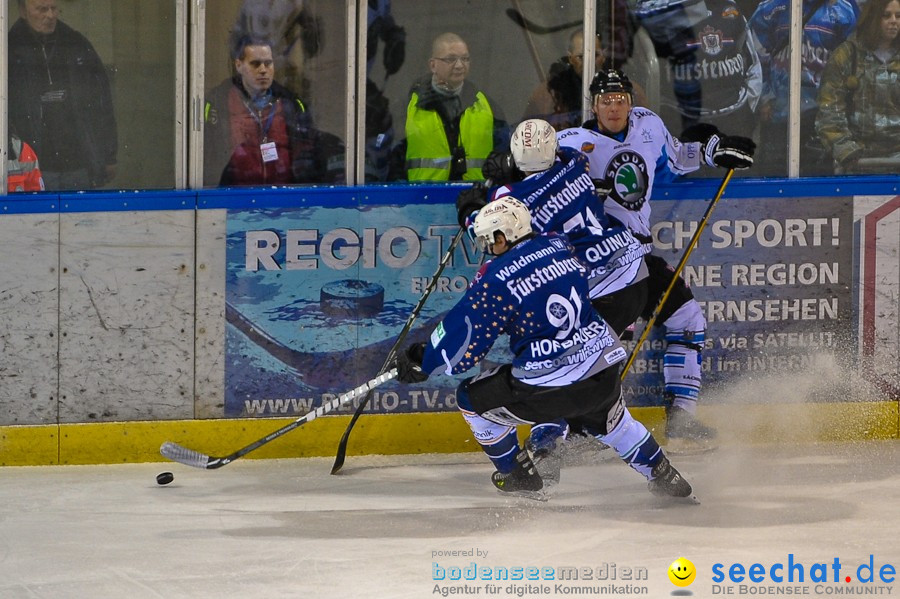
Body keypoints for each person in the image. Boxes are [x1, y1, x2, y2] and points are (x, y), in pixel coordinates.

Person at [394, 196, 696, 502]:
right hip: (600, 370)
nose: (486, 248)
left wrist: (425, 360)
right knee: (616, 425)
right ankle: (664, 474)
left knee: (469, 398)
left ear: (502, 237)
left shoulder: (497, 276)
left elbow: (464, 344)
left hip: (549, 389)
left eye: (488, 240)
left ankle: (515, 473)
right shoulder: (559, 245)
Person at [557, 69, 755, 449]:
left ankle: (681, 416)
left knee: (686, 317)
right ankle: (571, 428)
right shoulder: (571, 142)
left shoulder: (648, 124)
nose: (614, 108)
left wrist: (716, 150)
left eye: (621, 100)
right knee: (601, 344)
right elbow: (543, 186)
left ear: (631, 102)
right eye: (606, 101)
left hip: (640, 255)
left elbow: (679, 158)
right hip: (599, 266)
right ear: (593, 104)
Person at [203, 35, 343, 187]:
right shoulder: (218, 103)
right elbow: (209, 154)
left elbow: (307, 153)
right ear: (239, 66)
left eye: (268, 63)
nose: (263, 70)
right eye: (255, 64)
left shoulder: (292, 104)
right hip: (233, 196)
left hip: (284, 197)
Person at [8, 0, 118, 191]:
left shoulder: (76, 44)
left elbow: (101, 102)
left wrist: (109, 156)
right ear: (23, 11)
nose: (50, 15)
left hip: (77, 162)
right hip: (30, 164)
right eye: (42, 9)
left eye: (54, 8)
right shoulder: (8, 48)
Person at [749, 0, 859, 176]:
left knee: (819, 180)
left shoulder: (843, 10)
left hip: (823, 115)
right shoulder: (770, 9)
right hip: (779, 113)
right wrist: (765, 98)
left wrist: (840, 106)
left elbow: (852, 64)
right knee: (773, 176)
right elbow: (753, 57)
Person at [388, 32, 510, 182]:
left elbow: (504, 157)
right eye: (451, 59)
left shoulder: (487, 106)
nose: (459, 65)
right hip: (420, 200)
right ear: (433, 65)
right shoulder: (407, 108)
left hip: (476, 199)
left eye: (465, 59)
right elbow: (390, 160)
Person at [631, 0, 763, 137]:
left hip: (733, 117)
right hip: (681, 120)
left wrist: (747, 105)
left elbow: (752, 63)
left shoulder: (730, 9)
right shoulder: (657, 10)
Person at [816, 0, 900, 174]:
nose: (894, 21)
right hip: (857, 161)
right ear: (872, 18)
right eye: (886, 15)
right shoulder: (847, 55)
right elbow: (829, 110)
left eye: (898, 16)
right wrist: (846, 152)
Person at [522, 30, 649, 131]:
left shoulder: (628, 91)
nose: (589, 62)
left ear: (603, 56)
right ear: (570, 58)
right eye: (581, 57)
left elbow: (646, 132)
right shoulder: (547, 94)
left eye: (595, 55)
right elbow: (529, 133)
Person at [230, 0, 321, 99]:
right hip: (256, 66)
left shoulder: (295, 4)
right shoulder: (250, 4)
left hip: (284, 67)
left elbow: (312, 43)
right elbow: (236, 39)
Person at [364, 0, 406, 181]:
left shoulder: (381, 3)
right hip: (333, 83)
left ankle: (377, 177)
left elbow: (384, 22)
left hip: (361, 81)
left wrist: (393, 35)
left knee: (380, 122)